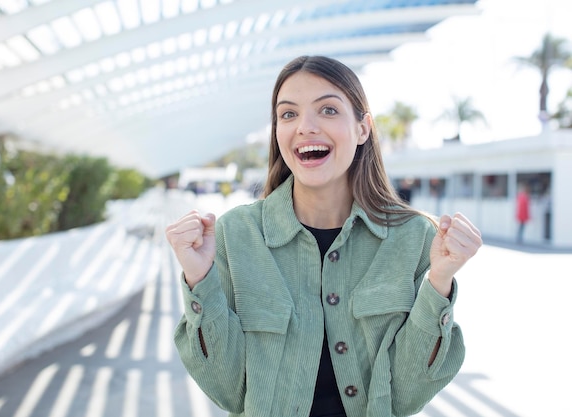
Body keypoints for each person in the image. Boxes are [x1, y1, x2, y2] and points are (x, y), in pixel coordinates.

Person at [166, 55, 482, 417]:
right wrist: (198, 278)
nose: (305, 127)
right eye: (288, 114)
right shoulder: (235, 235)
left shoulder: (412, 238)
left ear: (363, 128)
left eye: (328, 110)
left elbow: (406, 396)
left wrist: (440, 280)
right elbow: (228, 392)